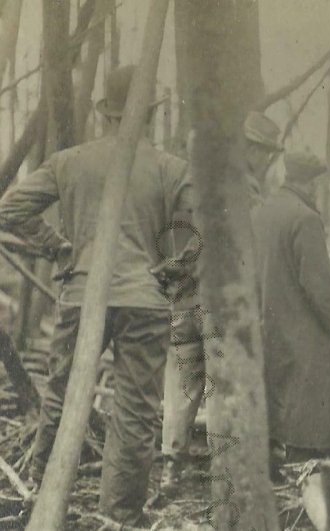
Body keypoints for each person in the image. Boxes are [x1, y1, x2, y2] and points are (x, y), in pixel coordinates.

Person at [0, 65, 192, 526]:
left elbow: (8, 210)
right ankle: (119, 516)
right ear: (147, 115)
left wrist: (59, 248)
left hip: (83, 292)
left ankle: (42, 501)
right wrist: (162, 276)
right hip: (143, 301)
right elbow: (192, 242)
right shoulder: (171, 169)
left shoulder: (71, 161)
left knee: (61, 398)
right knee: (136, 411)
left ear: (105, 111)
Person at [158, 115, 284, 492]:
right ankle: (220, 471)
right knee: (217, 385)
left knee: (182, 384)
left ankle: (170, 470)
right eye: (264, 152)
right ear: (251, 149)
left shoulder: (194, 179)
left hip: (183, 295)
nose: (266, 160)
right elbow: (250, 248)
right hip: (218, 299)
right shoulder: (245, 188)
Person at [252, 148, 330, 462]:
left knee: (276, 394)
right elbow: (317, 286)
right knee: (309, 407)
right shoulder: (306, 218)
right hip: (305, 330)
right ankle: (307, 465)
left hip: (269, 321)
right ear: (310, 184)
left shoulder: (263, 212)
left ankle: (275, 459)